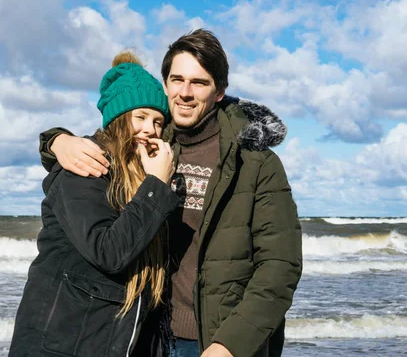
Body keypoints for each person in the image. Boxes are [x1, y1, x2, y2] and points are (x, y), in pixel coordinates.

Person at [40, 29, 303, 357]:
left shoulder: (255, 161)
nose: (186, 93)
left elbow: (280, 265)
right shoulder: (149, 139)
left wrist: (230, 344)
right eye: (177, 79)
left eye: (200, 82)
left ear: (219, 91)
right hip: (142, 334)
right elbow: (103, 144)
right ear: (165, 84)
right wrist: (57, 141)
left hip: (214, 341)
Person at [9, 51, 181, 357]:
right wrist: (156, 188)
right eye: (140, 117)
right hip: (59, 347)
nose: (150, 129)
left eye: (157, 121)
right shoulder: (86, 168)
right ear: (117, 119)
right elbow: (109, 252)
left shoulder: (144, 176)